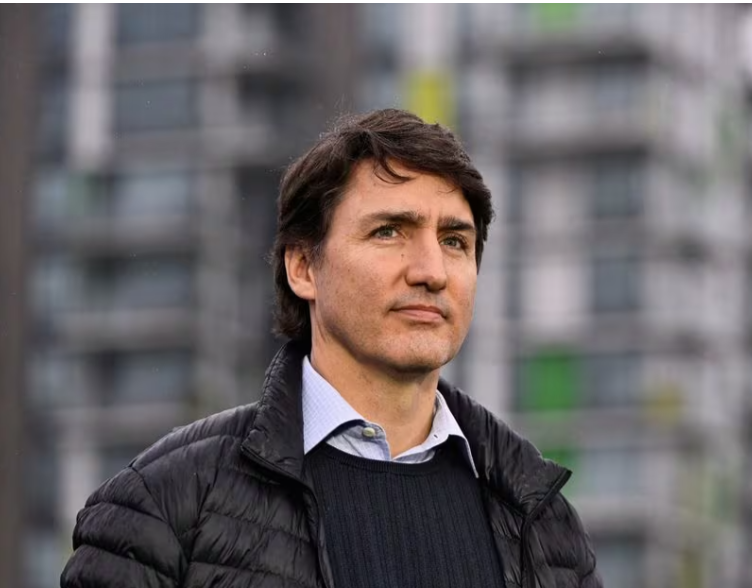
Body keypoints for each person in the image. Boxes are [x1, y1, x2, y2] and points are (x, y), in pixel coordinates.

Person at [61, 109, 602, 588]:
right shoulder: (165, 505)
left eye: (455, 242)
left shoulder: (543, 522)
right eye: (390, 232)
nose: (432, 271)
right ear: (303, 267)